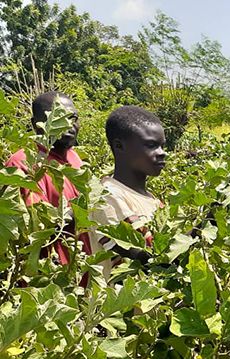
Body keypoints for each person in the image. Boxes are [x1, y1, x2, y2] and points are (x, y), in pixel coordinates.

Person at [5, 91, 92, 266]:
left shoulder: (76, 159)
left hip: (81, 272)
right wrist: (82, 210)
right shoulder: (22, 163)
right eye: (58, 116)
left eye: (73, 117)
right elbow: (35, 226)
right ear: (35, 124)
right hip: (47, 275)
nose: (69, 124)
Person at [89, 105, 166, 280]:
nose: (161, 153)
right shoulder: (106, 196)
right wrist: (206, 224)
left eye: (162, 146)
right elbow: (150, 257)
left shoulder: (153, 199)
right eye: (151, 145)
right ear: (119, 146)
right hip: (121, 306)